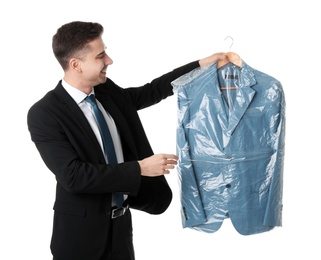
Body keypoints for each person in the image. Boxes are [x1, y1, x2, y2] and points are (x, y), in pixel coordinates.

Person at [27, 21, 227, 260]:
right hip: (79, 238)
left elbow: (151, 91)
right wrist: (140, 168)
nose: (109, 60)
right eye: (100, 55)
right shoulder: (44, 113)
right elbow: (74, 176)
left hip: (120, 228)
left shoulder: (106, 91)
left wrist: (201, 66)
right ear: (75, 65)